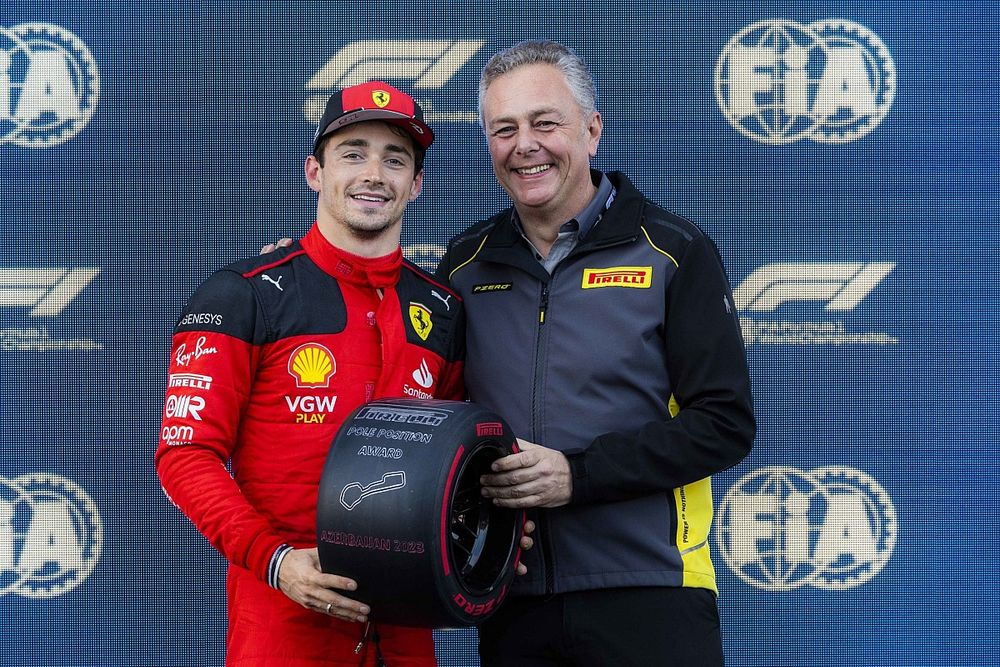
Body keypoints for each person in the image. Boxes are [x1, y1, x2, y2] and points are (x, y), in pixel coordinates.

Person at [434, 40, 756, 666]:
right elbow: (440, 414)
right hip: (511, 601)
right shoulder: (465, 265)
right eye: (504, 129)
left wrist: (577, 476)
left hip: (650, 594)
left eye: (544, 122)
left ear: (591, 129)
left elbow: (724, 425)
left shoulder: (671, 251)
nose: (524, 144)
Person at [156, 81, 468, 666]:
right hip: (280, 621)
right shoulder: (242, 295)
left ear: (416, 184)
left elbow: (461, 465)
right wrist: (276, 561)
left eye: (394, 159)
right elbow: (184, 455)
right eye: (353, 153)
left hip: (406, 629)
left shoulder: (444, 310)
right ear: (314, 171)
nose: (374, 173)